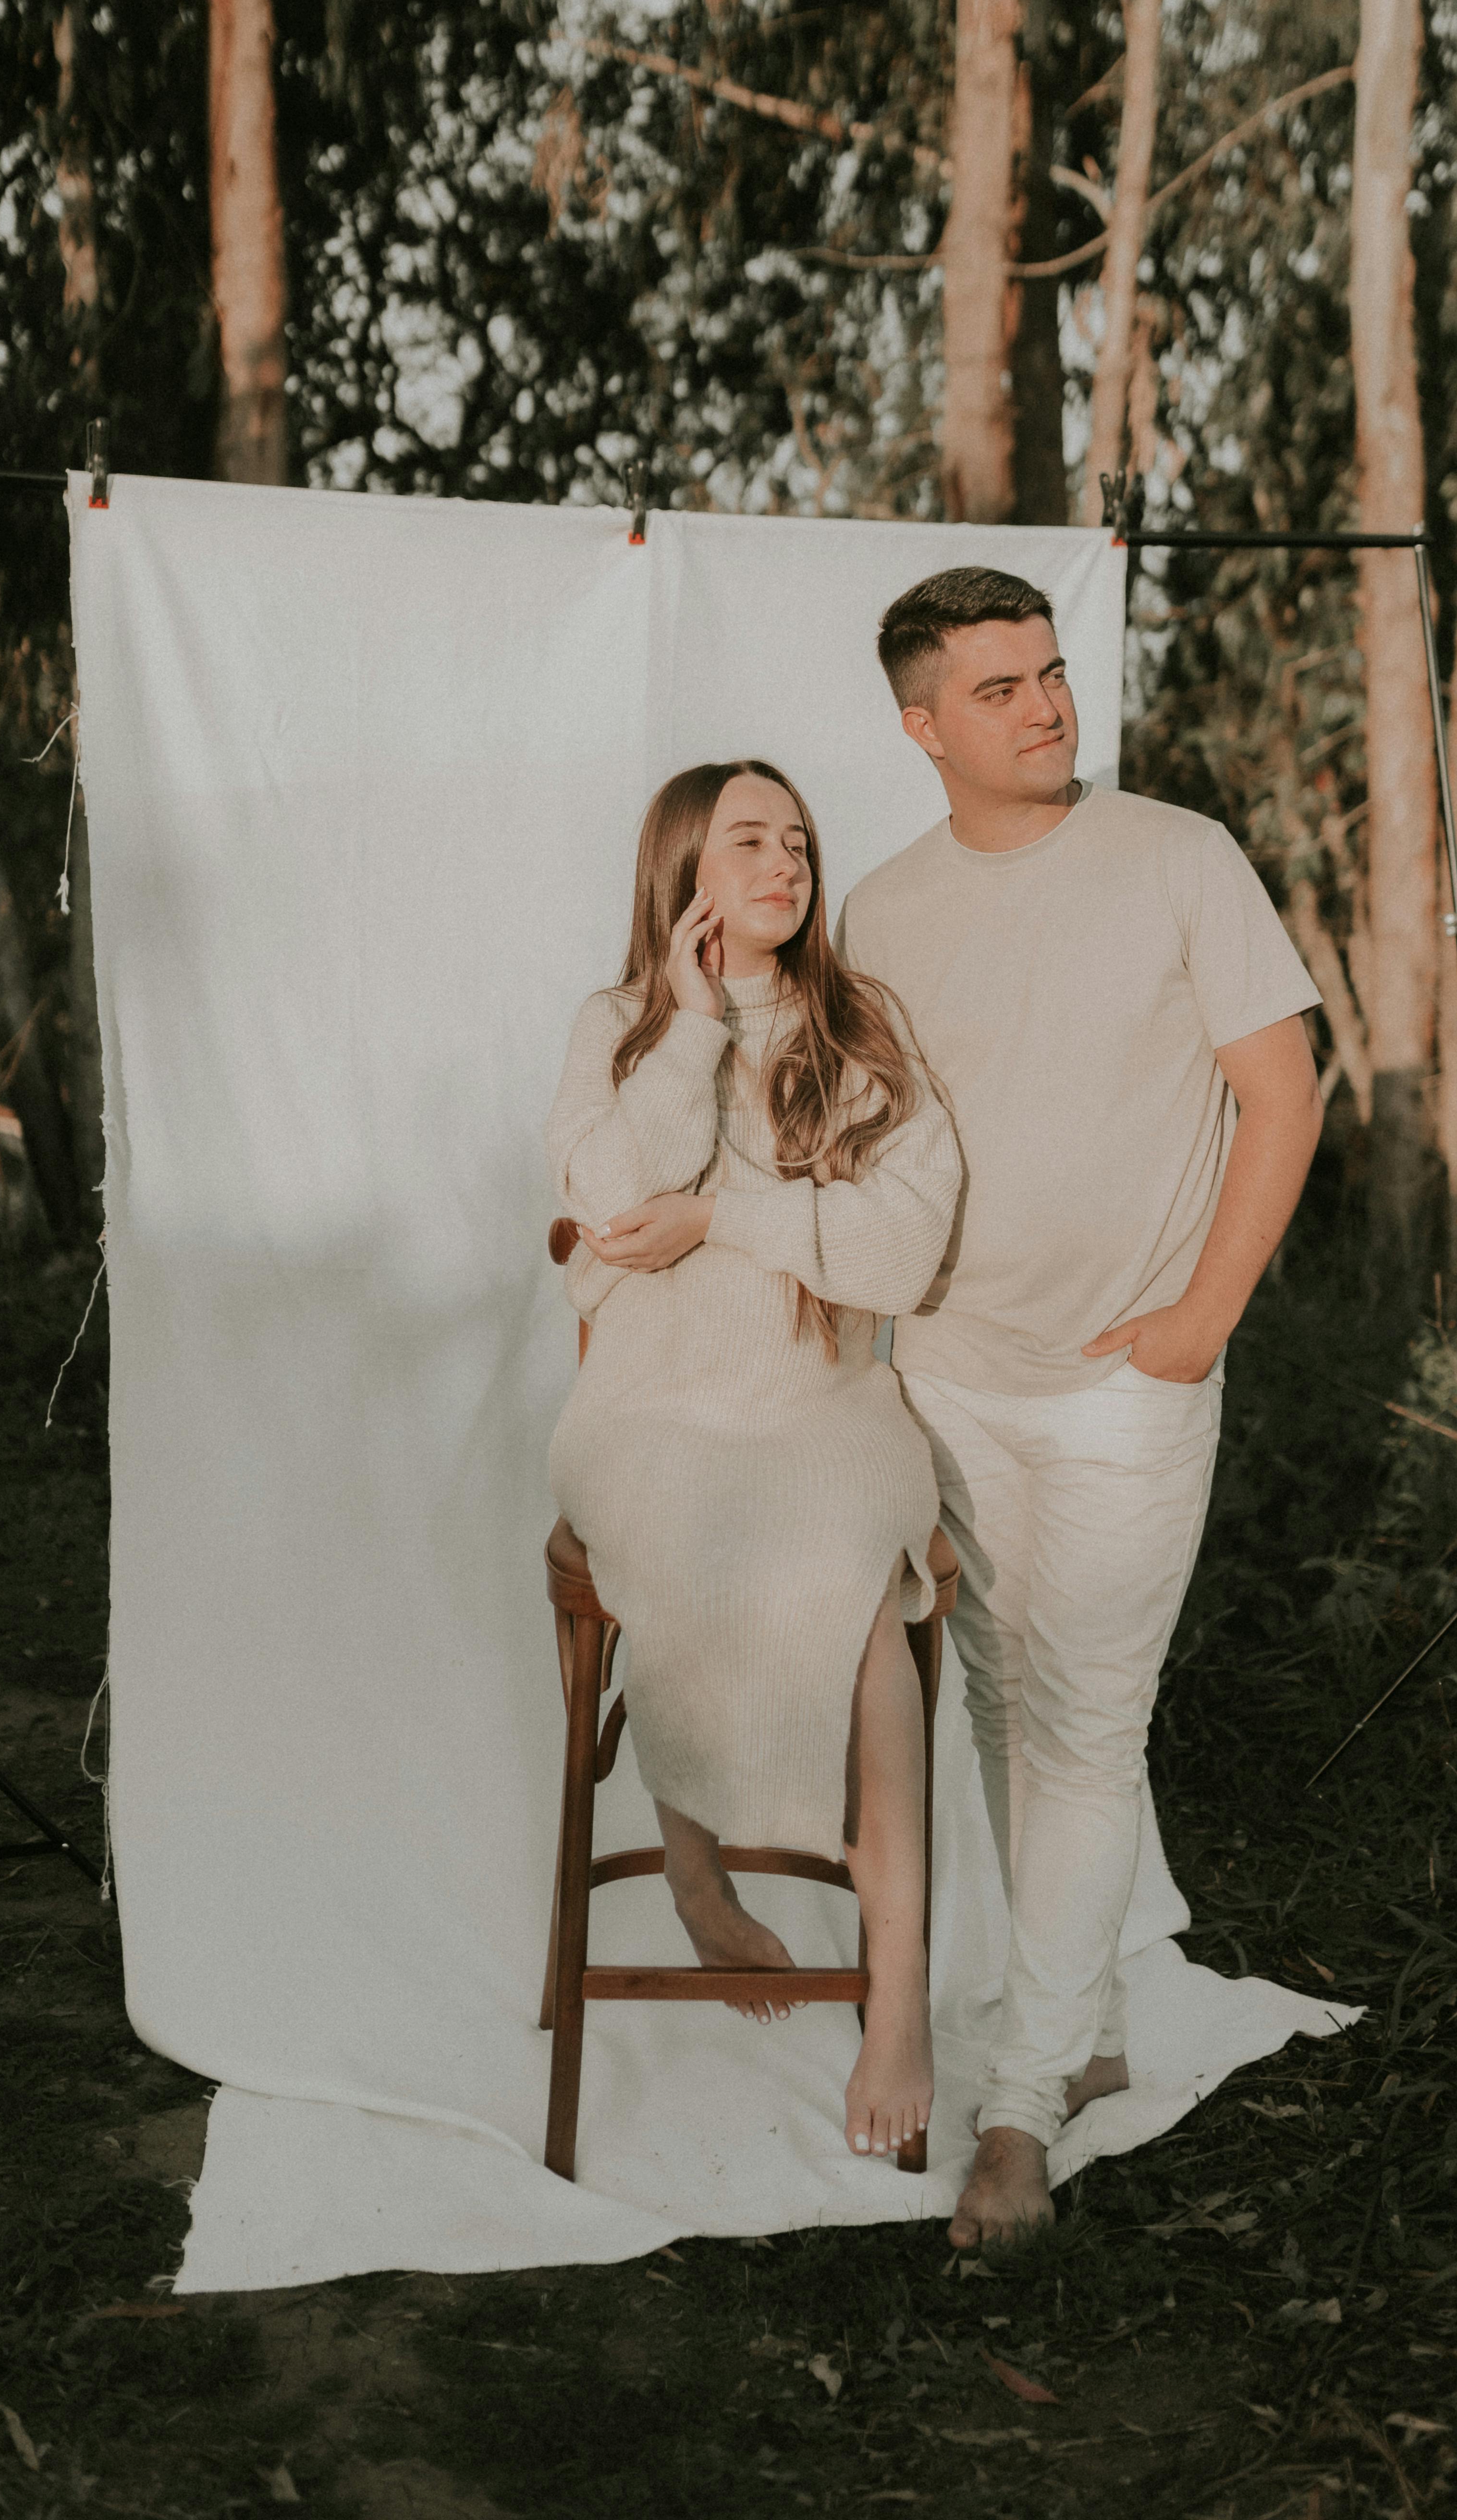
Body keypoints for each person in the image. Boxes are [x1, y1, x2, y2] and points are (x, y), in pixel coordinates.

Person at [835, 567, 1323, 2246]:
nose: (1046, 707)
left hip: (1127, 1388)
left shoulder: (1181, 857)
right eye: (999, 689)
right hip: (954, 1378)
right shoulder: (883, 913)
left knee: (1090, 1723)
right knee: (998, 1698)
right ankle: (1090, 2015)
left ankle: (1022, 2111)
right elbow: (868, 1149)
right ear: (922, 727)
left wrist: (1201, 1321)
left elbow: (1285, 1094)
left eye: (1051, 673)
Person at [545, 759, 961, 2161]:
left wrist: (718, 1216)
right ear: (686, 870)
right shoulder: (619, 1024)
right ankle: (696, 1872)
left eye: (799, 839)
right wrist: (694, 1027)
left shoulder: (862, 1029)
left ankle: (895, 1997)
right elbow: (607, 1200)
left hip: (826, 1402)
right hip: (655, 1408)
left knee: (857, 1588)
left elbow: (902, 1253)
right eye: (749, 841)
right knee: (680, 1529)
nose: (784, 862)